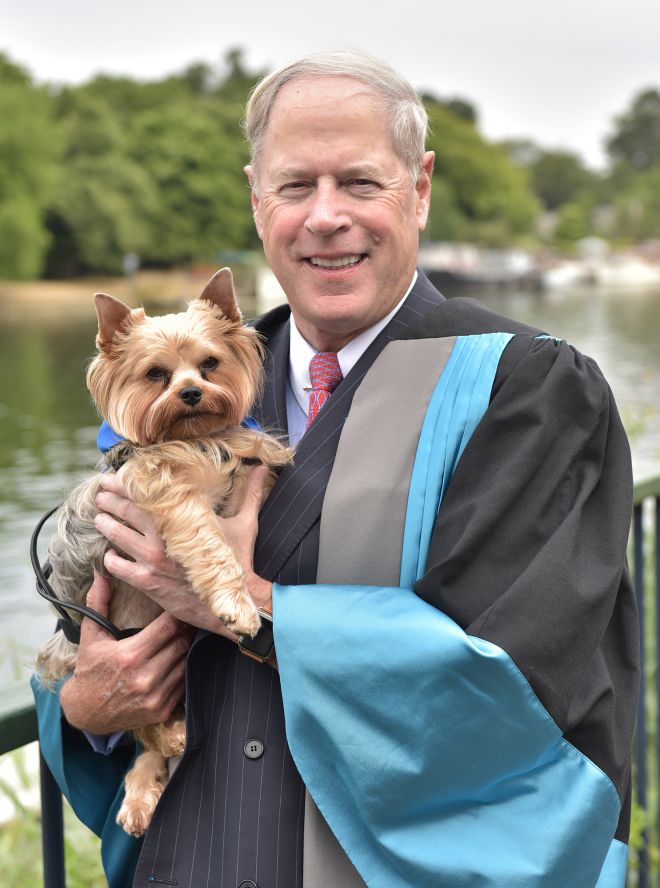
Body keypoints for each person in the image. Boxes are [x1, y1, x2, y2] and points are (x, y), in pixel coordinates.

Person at [33, 51, 639, 887]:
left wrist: (247, 605)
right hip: (191, 858)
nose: (325, 218)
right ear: (255, 198)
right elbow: (85, 633)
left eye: (359, 183)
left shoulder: (523, 387)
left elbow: (519, 682)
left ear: (419, 188)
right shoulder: (211, 386)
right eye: (294, 187)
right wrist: (87, 708)